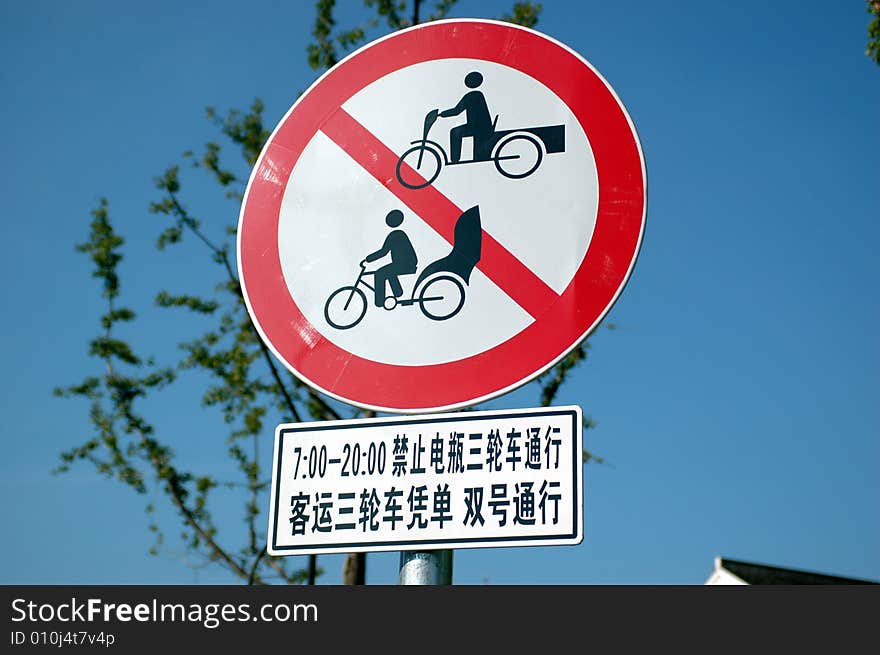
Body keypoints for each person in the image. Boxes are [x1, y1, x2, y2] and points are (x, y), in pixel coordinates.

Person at [362, 209, 418, 307]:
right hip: (407, 263)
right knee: (389, 271)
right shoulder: (399, 233)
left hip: (406, 264)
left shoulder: (395, 235)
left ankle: (380, 302)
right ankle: (398, 293)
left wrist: (368, 259)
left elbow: (383, 252)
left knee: (379, 273)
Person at [439, 71, 494, 163]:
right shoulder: (478, 94)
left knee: (455, 132)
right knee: (456, 131)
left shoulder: (472, 96)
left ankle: (455, 159)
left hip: (479, 127)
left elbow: (456, 111)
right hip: (480, 126)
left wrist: (441, 114)